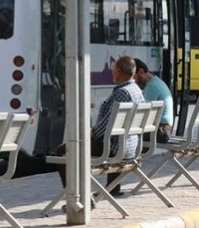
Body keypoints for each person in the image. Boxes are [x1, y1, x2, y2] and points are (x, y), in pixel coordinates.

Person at [53, 56, 144, 199]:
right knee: (104, 140)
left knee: (62, 151)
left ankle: (75, 196)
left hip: (115, 148)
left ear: (119, 71)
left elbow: (105, 128)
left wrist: (89, 135)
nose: (112, 72)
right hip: (131, 147)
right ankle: (112, 189)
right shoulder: (136, 90)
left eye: (114, 69)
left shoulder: (122, 93)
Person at [133, 58, 173, 144]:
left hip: (161, 132)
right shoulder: (157, 82)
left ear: (140, 71)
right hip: (164, 129)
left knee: (125, 134)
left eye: (134, 78)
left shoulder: (152, 86)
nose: (134, 82)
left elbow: (141, 115)